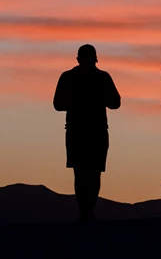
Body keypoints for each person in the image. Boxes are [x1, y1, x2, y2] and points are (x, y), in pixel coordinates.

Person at [53, 44, 121, 222]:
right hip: (84, 131)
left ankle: (87, 212)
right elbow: (58, 104)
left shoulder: (89, 77)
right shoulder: (97, 77)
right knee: (85, 172)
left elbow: (115, 102)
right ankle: (86, 212)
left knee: (88, 172)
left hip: (90, 131)